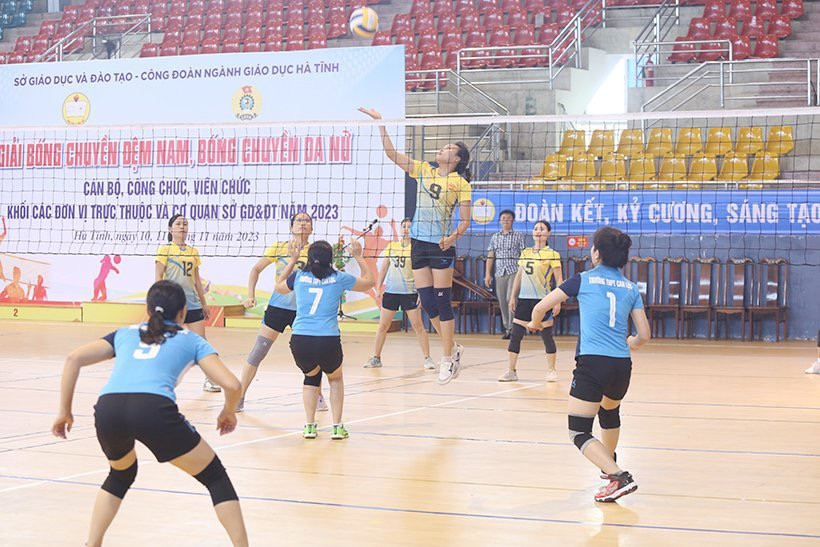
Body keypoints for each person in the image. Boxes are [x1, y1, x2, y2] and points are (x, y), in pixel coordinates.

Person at [51, 280, 248, 546]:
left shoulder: (124, 333)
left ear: (148, 309)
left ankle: (92, 543)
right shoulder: (192, 340)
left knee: (120, 474)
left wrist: (64, 411)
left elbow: (73, 358)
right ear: (183, 312)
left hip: (109, 409)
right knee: (214, 476)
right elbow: (233, 385)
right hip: (153, 410)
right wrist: (228, 411)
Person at [528, 226, 650, 503]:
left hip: (593, 364)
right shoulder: (631, 288)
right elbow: (644, 335)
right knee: (609, 412)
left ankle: (618, 475)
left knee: (579, 431)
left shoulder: (582, 279)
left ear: (596, 253)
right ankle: (609, 466)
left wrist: (536, 324)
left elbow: (539, 308)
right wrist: (631, 342)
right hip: (621, 366)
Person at [359, 106, 472, 385]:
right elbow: (391, 154)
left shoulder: (460, 183)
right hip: (419, 244)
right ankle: (454, 347)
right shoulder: (423, 170)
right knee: (428, 303)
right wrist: (380, 122)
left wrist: (452, 238)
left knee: (442, 300)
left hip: (441, 246)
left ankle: (447, 358)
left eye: (449, 148)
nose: (442, 149)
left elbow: (465, 221)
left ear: (457, 159)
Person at [275, 239, 374, 439]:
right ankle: (336, 427)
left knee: (311, 377)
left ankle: (309, 426)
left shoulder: (298, 277)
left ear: (309, 259)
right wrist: (358, 257)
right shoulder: (339, 278)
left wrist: (293, 260)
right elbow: (369, 282)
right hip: (327, 340)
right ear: (331, 259)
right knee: (335, 379)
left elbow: (279, 287)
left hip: (301, 340)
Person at [241, 212, 327, 412]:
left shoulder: (316, 251)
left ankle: (318, 395)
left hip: (303, 311)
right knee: (258, 351)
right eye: (299, 220)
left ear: (312, 228)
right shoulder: (279, 247)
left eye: (307, 221)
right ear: (291, 227)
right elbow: (255, 269)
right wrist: (250, 295)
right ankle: (240, 395)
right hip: (278, 308)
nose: (303, 223)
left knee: (312, 355)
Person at [362, 218, 435, 371]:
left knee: (418, 326)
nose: (406, 229)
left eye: (409, 227)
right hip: (391, 292)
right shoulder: (392, 246)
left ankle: (428, 358)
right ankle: (376, 358)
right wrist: (378, 288)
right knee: (383, 326)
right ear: (400, 229)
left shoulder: (417, 249)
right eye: (404, 226)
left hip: (410, 292)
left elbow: (423, 272)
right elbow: (384, 269)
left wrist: (422, 292)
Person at [155, 215, 217, 392]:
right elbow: (158, 276)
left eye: (185, 224)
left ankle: (210, 379)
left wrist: (204, 303)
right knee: (166, 341)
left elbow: (197, 280)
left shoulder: (193, 251)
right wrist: (159, 300)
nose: (182, 226)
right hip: (172, 303)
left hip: (192, 303)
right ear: (170, 229)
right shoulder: (165, 250)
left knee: (202, 342)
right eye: (178, 224)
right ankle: (159, 379)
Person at [499, 220, 563, 383]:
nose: (538, 231)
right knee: (515, 335)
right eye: (535, 229)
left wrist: (558, 301)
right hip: (524, 300)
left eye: (542, 229)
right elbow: (519, 276)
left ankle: (551, 370)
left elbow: (559, 280)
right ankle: (511, 371)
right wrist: (513, 296)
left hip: (543, 301)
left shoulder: (552, 254)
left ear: (548, 233)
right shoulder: (526, 252)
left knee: (546, 336)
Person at [485, 210, 526, 339]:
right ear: (500, 220)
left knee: (511, 298)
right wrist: (487, 274)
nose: (506, 220)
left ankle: (514, 329)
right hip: (499, 272)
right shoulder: (495, 237)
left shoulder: (518, 236)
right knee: (502, 301)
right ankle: (508, 329)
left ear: (513, 221)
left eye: (508, 218)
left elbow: (524, 254)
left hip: (514, 271)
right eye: (503, 218)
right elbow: (491, 255)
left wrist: (523, 272)